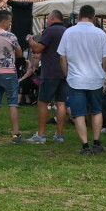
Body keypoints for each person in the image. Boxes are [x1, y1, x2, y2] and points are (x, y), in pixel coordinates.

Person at [57, 5, 106, 155]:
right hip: (95, 78)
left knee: (79, 113)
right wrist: (103, 71)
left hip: (75, 79)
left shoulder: (69, 32)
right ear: (94, 18)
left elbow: (62, 57)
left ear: (78, 16)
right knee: (96, 111)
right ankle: (97, 142)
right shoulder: (100, 33)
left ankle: (85, 145)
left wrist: (67, 73)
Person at [27, 10, 68, 144]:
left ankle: (41, 135)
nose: (47, 22)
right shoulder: (67, 31)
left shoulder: (50, 31)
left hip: (50, 72)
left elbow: (37, 48)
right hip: (64, 72)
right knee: (61, 103)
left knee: (43, 102)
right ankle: (59, 135)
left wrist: (30, 40)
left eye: (48, 19)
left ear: (53, 18)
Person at [0, 9, 25, 144]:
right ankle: (16, 134)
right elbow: (19, 52)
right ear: (4, 21)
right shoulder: (10, 36)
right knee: (13, 103)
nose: (10, 24)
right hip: (8, 72)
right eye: (10, 21)